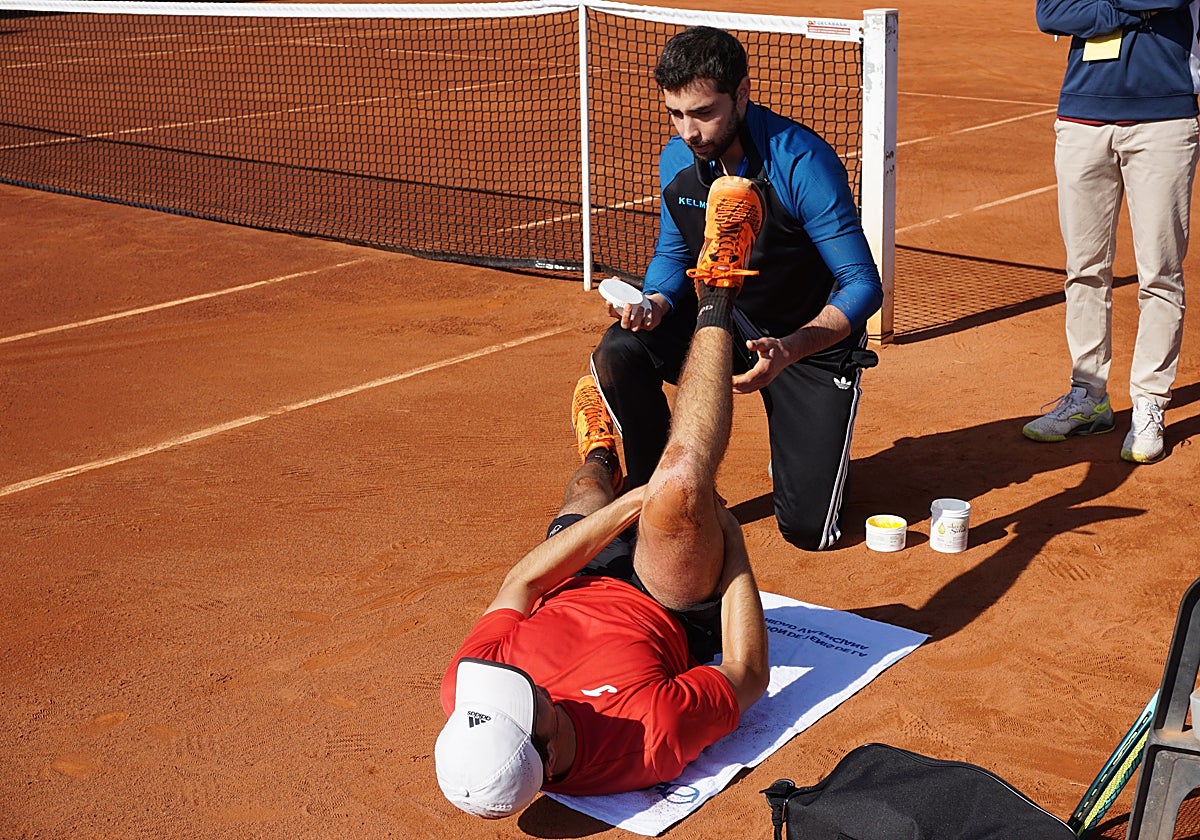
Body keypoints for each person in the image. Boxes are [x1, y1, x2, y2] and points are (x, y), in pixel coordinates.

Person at [434, 180, 771, 819]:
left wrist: (622, 505)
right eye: (524, 700)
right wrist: (731, 545)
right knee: (679, 484)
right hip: (661, 603)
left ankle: (599, 452)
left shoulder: (473, 697)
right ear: (548, 746)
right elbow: (748, 673)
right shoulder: (649, 736)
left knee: (591, 489)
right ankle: (720, 289)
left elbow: (522, 585)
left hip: (572, 579)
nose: (513, 685)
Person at [590, 26, 883, 551]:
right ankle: (659, 489)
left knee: (810, 532)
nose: (690, 132)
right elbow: (674, 251)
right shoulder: (678, 160)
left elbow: (862, 284)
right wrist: (654, 302)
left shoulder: (802, 162)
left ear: (742, 94)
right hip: (721, 319)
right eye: (676, 114)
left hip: (803, 342)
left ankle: (801, 449)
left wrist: (791, 348)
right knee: (621, 349)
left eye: (704, 113)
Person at [1024, 0, 1199, 463]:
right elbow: (1052, 13)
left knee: (1159, 274)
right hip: (1082, 120)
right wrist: (1135, 11)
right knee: (1083, 270)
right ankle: (1089, 396)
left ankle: (1149, 402)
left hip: (1164, 122)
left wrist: (1101, 5)